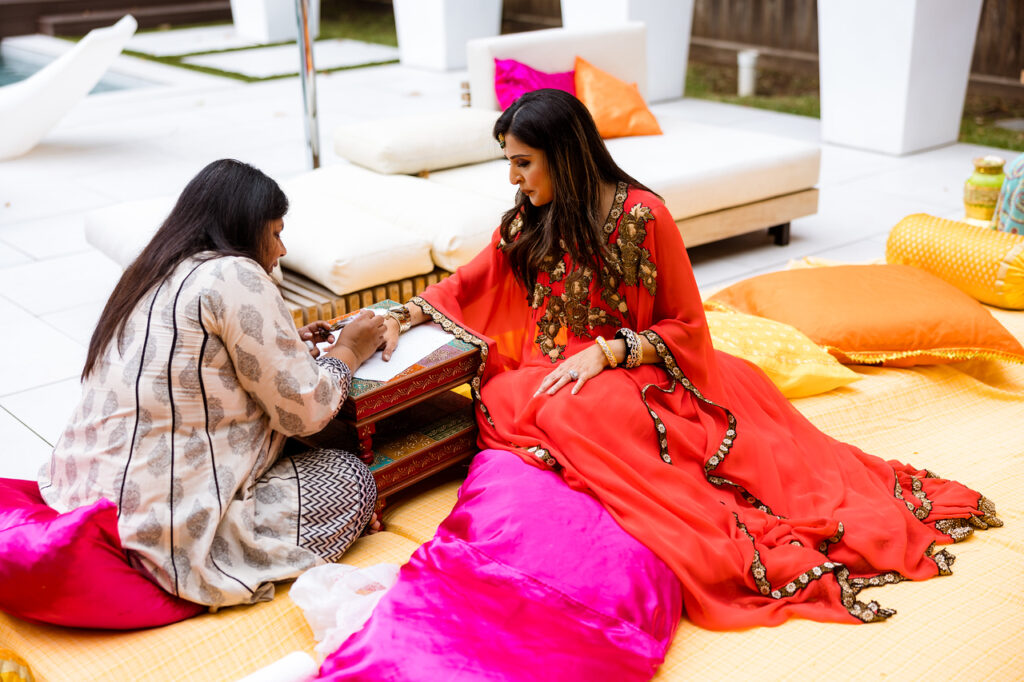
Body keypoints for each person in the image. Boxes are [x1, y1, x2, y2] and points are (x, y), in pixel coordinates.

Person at [374, 89, 1000, 629]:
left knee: (574, 414)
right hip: (554, 365)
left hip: (643, 370)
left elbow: (688, 326)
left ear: (564, 155)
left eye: (523, 164)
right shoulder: (530, 219)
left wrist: (609, 352)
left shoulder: (644, 217)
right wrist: (400, 315)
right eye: (509, 163)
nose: (514, 179)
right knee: (520, 398)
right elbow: (472, 283)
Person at [39, 159, 384, 609]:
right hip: (162, 531)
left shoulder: (152, 270)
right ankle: (210, 562)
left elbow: (199, 360)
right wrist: (350, 351)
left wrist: (287, 343)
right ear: (244, 228)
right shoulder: (235, 273)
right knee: (351, 479)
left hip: (82, 494)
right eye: (276, 233)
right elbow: (306, 411)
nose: (281, 250)